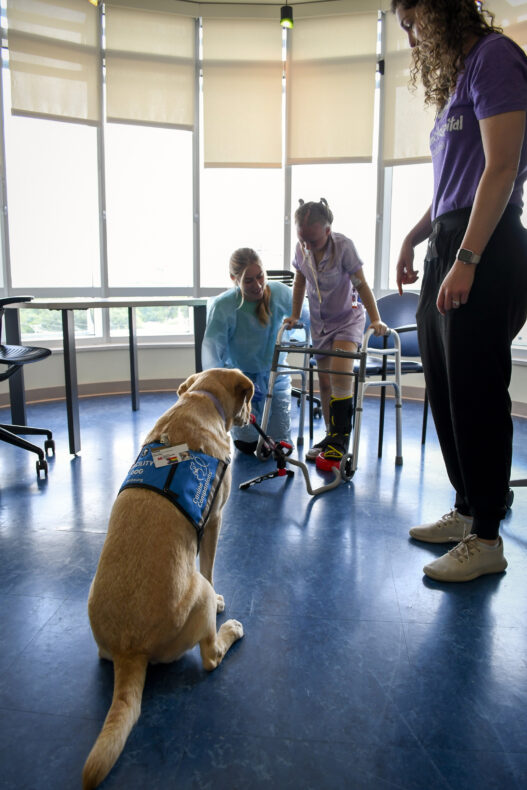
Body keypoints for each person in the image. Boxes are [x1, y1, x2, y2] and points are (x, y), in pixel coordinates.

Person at [393, 0, 527, 581]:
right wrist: (412, 237)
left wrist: (468, 257)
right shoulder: (457, 85)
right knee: (444, 387)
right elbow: (451, 186)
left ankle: (489, 537)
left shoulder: (496, 59)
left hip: (486, 242)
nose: (412, 37)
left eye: (412, 21)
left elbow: (501, 167)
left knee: (475, 388)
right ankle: (470, 505)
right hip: (448, 242)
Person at [284, 198, 387, 470]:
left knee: (341, 376)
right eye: (302, 240)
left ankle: (341, 440)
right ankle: (331, 436)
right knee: (326, 384)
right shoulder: (301, 249)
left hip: (348, 319)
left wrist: (375, 319)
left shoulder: (344, 247)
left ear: (328, 231)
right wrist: (295, 315)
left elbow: (362, 285)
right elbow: (299, 282)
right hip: (321, 321)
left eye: (313, 241)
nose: (306, 246)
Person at [202, 247, 306, 455]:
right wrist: (227, 387)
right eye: (248, 280)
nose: (257, 285)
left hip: (276, 376)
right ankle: (248, 434)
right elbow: (212, 354)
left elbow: (307, 323)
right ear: (234, 279)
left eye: (260, 276)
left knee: (280, 446)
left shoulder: (280, 293)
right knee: (248, 445)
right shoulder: (224, 306)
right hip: (241, 381)